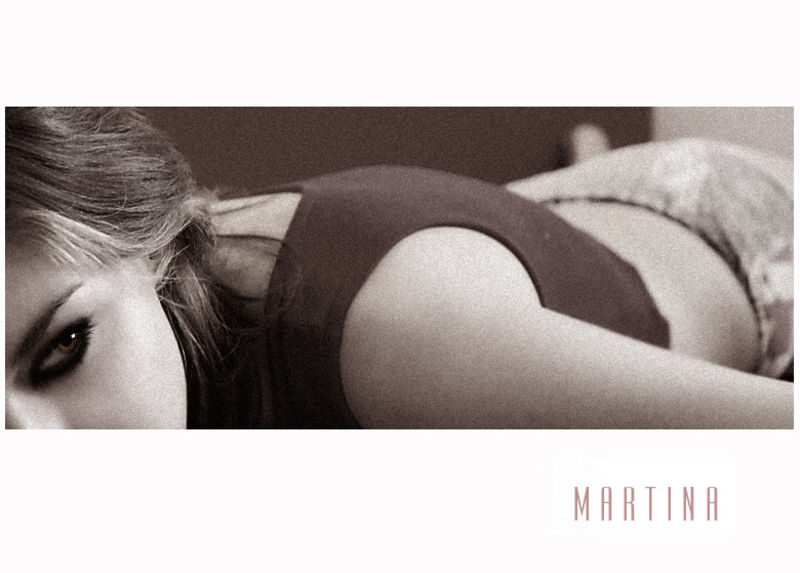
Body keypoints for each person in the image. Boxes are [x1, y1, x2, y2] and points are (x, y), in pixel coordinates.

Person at [4, 107, 793, 429]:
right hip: (519, 237)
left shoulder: (395, 338)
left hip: (747, 242)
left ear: (151, 246)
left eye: (64, 349)